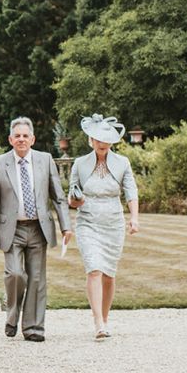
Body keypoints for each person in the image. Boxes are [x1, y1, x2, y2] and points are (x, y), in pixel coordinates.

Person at [0, 117, 72, 342]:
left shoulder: (45, 160)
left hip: (38, 228)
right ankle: (12, 314)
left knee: (36, 280)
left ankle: (34, 328)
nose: (21, 140)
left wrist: (66, 226)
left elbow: (58, 197)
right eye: (17, 136)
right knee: (15, 274)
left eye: (25, 136)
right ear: (10, 139)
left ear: (32, 139)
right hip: (11, 230)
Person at [68, 114, 139, 340]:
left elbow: (131, 191)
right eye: (98, 139)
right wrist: (76, 200)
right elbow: (72, 197)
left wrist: (134, 217)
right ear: (91, 140)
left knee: (108, 274)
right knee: (94, 269)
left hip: (113, 221)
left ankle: (105, 319)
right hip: (87, 220)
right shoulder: (79, 164)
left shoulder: (122, 163)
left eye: (106, 140)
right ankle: (98, 321)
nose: (102, 143)